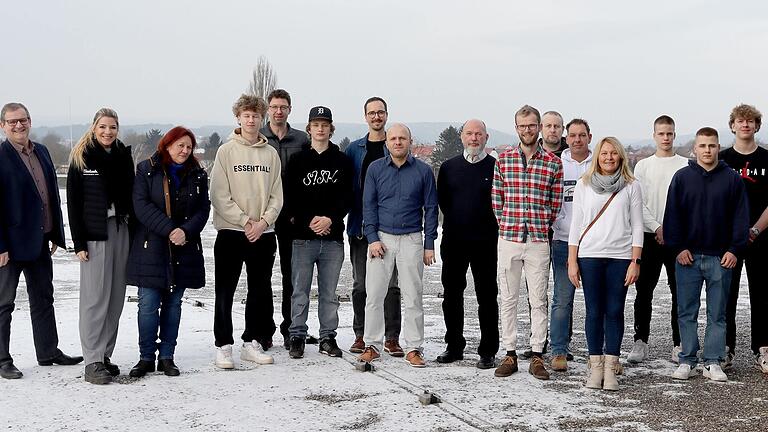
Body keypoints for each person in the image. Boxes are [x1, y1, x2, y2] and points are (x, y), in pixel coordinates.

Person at [0, 102, 83, 380]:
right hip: (9, 246)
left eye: (22, 120)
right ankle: (2, 360)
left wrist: (55, 233)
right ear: (3, 126)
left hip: (39, 241)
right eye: (12, 122)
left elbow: (50, 197)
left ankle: (48, 351)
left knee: (44, 298)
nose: (18, 125)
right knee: (4, 304)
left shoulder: (43, 152)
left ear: (30, 121)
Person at [665, 127, 749, 382]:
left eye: (712, 146)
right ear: (695, 148)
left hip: (720, 258)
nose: (707, 150)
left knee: (718, 313)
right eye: (702, 146)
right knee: (686, 310)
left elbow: (740, 218)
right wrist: (678, 248)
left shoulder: (732, 179)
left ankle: (713, 361)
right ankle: (687, 359)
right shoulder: (681, 178)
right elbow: (672, 217)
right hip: (687, 258)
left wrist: (735, 249)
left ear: (718, 147)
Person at [127, 126, 211, 377]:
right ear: (167, 145)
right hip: (151, 247)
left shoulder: (198, 173)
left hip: (184, 248)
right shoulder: (146, 169)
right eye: (180, 146)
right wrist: (170, 229)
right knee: (148, 304)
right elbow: (140, 206)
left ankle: (167, 356)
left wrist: (185, 231)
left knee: (173, 305)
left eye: (188, 147)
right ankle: (145, 357)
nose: (184, 151)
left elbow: (203, 209)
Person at [357, 123, 438, 368]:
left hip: (412, 238)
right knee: (374, 294)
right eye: (393, 138)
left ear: (410, 141)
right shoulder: (375, 169)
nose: (398, 142)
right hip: (382, 238)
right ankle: (372, 344)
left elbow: (431, 208)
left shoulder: (423, 171)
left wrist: (429, 243)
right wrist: (372, 239)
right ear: (387, 143)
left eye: (402, 138)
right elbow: (368, 206)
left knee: (413, 295)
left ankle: (414, 348)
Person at [210, 94, 282, 369]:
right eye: (246, 115)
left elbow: (277, 194)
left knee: (259, 290)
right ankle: (223, 345)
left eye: (256, 116)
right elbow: (219, 194)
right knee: (225, 291)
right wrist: (244, 221)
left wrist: (263, 222)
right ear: (238, 118)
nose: (251, 120)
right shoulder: (226, 151)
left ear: (262, 119)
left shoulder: (270, 154)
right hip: (231, 232)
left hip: (263, 234)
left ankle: (251, 342)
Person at [492, 105, 562, 381]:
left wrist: (541, 224)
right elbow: (497, 200)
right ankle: (509, 352)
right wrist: (507, 223)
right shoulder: (504, 160)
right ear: (516, 127)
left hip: (537, 240)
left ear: (539, 127)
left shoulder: (552, 163)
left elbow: (555, 204)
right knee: (508, 298)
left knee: (538, 299)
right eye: (523, 126)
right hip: (509, 238)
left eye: (532, 125)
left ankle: (536, 354)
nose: (528, 130)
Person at [568, 136, 643, 391]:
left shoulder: (631, 185)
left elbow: (637, 227)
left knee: (614, 310)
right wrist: (572, 261)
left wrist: (636, 261)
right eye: (604, 153)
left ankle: (611, 368)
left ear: (620, 156)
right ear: (597, 156)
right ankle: (595, 367)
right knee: (593, 311)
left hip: (621, 257)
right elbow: (575, 225)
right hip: (589, 255)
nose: (609, 157)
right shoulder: (583, 185)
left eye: (613, 153)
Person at [67, 108, 135, 385]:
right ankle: (92, 360)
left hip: (121, 231)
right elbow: (73, 204)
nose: (108, 132)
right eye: (103, 127)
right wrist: (78, 242)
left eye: (113, 127)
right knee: (95, 299)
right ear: (94, 127)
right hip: (94, 234)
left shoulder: (122, 156)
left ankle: (105, 355)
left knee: (115, 298)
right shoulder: (81, 158)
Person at [284, 107, 352, 359]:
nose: (320, 129)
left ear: (331, 128)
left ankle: (327, 337)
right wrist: (308, 219)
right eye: (316, 124)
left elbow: (347, 198)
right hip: (303, 237)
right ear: (309, 129)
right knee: (299, 290)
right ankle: (297, 336)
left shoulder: (342, 161)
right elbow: (289, 198)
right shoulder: (298, 161)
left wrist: (330, 219)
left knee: (329, 293)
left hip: (332, 239)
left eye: (325, 124)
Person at [436, 119, 499, 369]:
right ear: (462, 137)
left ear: (486, 137)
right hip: (454, 239)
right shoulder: (449, 167)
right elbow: (444, 201)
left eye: (479, 134)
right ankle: (454, 345)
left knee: (487, 296)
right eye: (469, 134)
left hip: (486, 241)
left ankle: (488, 350)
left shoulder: (496, 167)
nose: (474, 138)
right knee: (451, 295)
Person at [628, 115, 688, 364]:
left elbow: (688, 204)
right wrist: (656, 227)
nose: (666, 138)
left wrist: (671, 229)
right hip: (649, 236)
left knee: (680, 293)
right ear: (654, 135)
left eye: (670, 133)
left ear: (674, 135)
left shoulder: (685, 165)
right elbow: (638, 203)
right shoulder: (643, 166)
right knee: (644, 292)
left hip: (677, 238)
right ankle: (640, 341)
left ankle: (679, 342)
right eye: (661, 133)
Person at [345, 97, 402, 357]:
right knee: (361, 284)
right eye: (372, 113)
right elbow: (348, 189)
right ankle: (361, 334)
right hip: (360, 226)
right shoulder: (355, 150)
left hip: (391, 229)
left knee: (390, 285)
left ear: (386, 115)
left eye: (380, 112)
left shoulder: (395, 147)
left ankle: (391, 337)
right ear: (365, 116)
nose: (376, 117)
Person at [260, 89, 310, 349]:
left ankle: (292, 329)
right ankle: (264, 330)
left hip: (293, 217)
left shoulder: (301, 139)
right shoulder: (258, 137)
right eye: (274, 107)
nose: (279, 111)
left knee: (292, 275)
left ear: (290, 109)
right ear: (268, 109)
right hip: (265, 215)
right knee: (263, 276)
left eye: (283, 107)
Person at [720, 104, 768, 373]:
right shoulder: (724, 160)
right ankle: (726, 348)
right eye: (741, 121)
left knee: (763, 294)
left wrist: (755, 230)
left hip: (761, 237)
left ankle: (763, 348)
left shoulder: (767, 159)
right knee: (726, 294)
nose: (746, 125)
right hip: (730, 240)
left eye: (751, 121)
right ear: (733, 126)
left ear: (757, 126)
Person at [549, 118, 593, 372]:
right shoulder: (557, 164)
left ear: (589, 136)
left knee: (595, 301)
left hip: (594, 243)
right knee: (562, 298)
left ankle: (596, 351)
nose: (577, 139)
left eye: (582, 135)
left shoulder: (598, 163)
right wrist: (558, 223)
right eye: (573, 135)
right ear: (566, 138)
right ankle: (558, 350)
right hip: (564, 240)